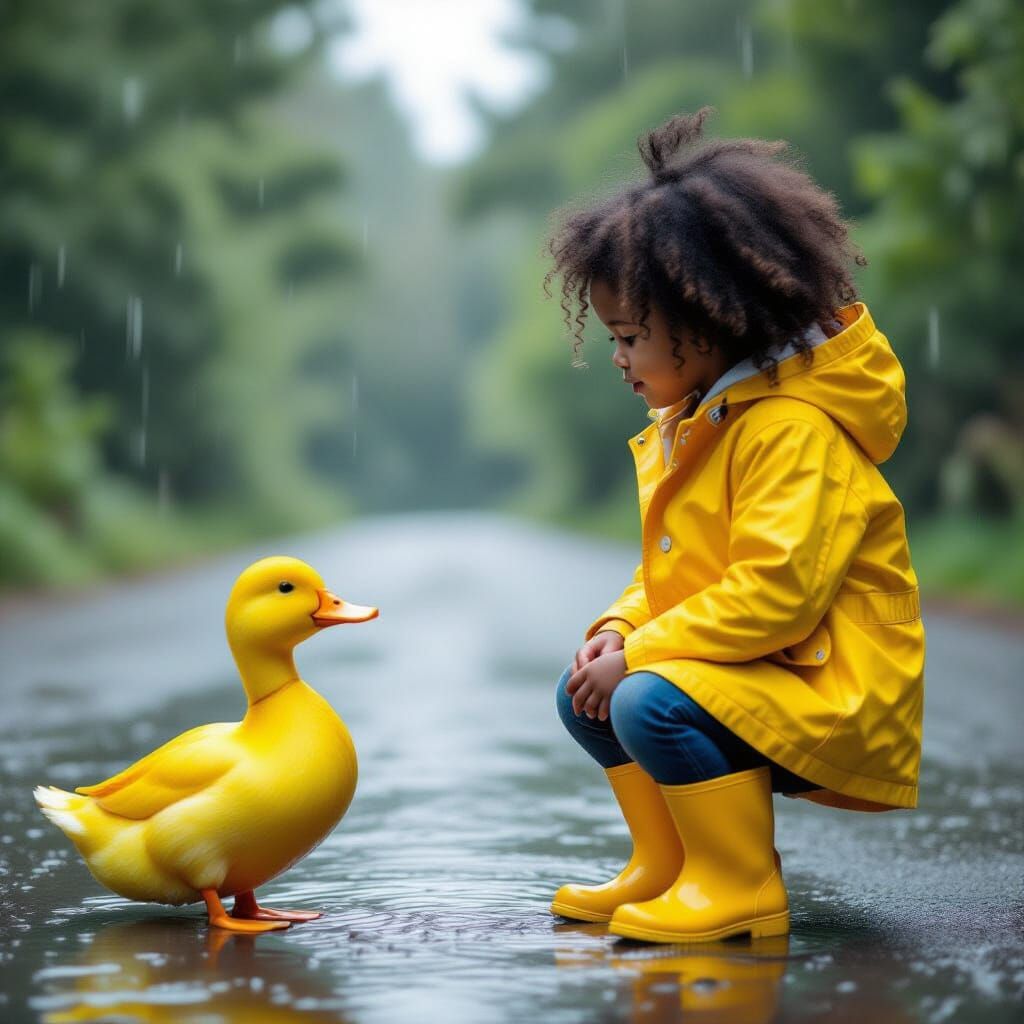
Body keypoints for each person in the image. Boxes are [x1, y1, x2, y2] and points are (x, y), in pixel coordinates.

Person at [544, 108, 925, 944]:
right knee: (591, 695)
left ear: (709, 323)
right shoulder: (707, 421)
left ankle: (738, 882)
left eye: (631, 336)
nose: (617, 357)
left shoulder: (790, 429)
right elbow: (684, 574)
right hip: (768, 672)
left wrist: (640, 657)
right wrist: (619, 628)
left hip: (832, 686)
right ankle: (670, 866)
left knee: (645, 698)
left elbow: (776, 593)